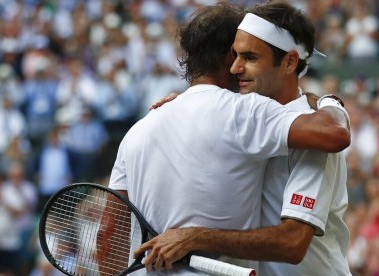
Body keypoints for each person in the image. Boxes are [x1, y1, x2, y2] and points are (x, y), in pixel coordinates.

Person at [104, 2, 350, 275]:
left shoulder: (307, 133)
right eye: (235, 56)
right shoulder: (244, 115)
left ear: (290, 62)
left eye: (249, 57)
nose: (235, 68)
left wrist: (328, 100)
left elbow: (292, 242)